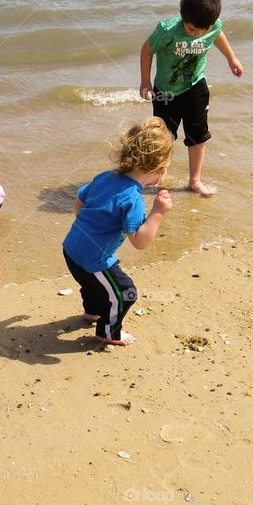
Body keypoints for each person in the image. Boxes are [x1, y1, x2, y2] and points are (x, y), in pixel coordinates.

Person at [62, 118, 173, 346]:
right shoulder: (133, 198)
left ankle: (92, 312)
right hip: (94, 258)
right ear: (159, 171)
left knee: (92, 283)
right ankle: (109, 331)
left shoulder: (105, 176)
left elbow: (78, 204)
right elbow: (139, 241)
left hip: (71, 248)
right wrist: (158, 213)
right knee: (125, 292)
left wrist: (90, 230)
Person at [139, 0, 243, 197]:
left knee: (198, 135)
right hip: (165, 90)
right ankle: (160, 172)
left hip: (195, 86)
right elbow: (147, 49)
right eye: (189, 27)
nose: (192, 32)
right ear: (182, 17)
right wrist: (145, 81)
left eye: (197, 31)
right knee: (163, 135)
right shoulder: (167, 30)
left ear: (209, 26)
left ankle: (194, 180)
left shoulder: (214, 27)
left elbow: (218, 35)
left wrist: (232, 59)